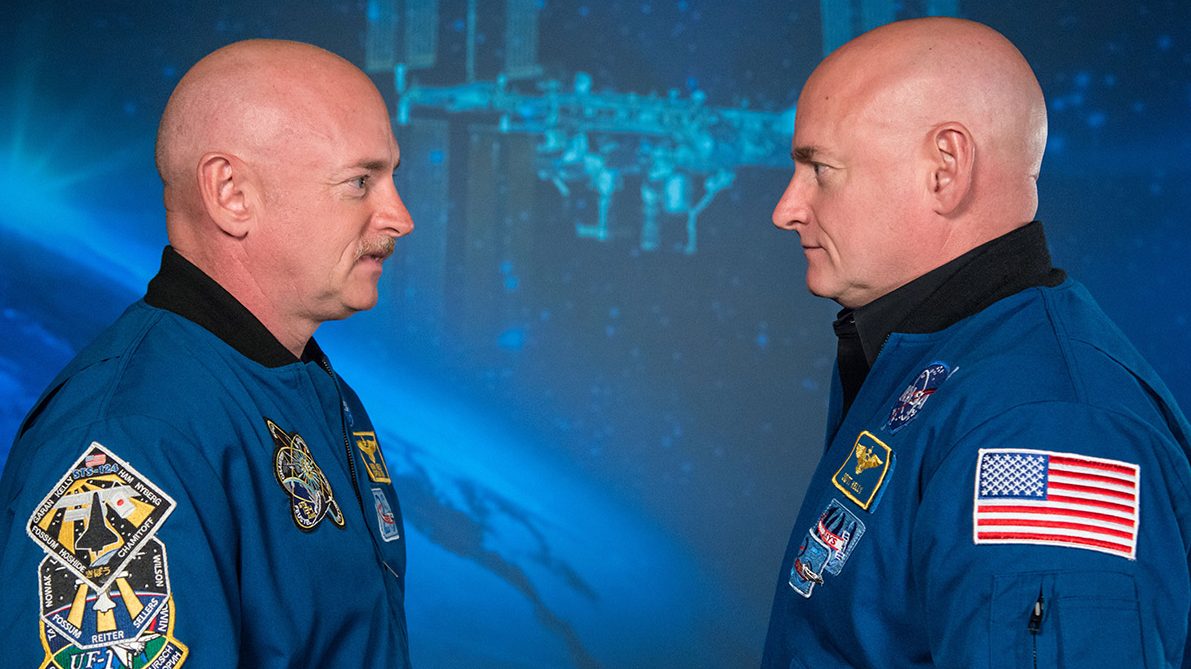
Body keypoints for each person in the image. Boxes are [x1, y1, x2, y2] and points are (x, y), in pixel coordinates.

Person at [762, 17, 1191, 668]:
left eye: (820, 169)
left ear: (945, 168)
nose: (786, 207)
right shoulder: (937, 361)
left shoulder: (1043, 426)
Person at [0, 39, 414, 668]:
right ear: (231, 193)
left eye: (391, 178)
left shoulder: (309, 387)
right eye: (360, 181)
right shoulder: (131, 441)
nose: (399, 217)